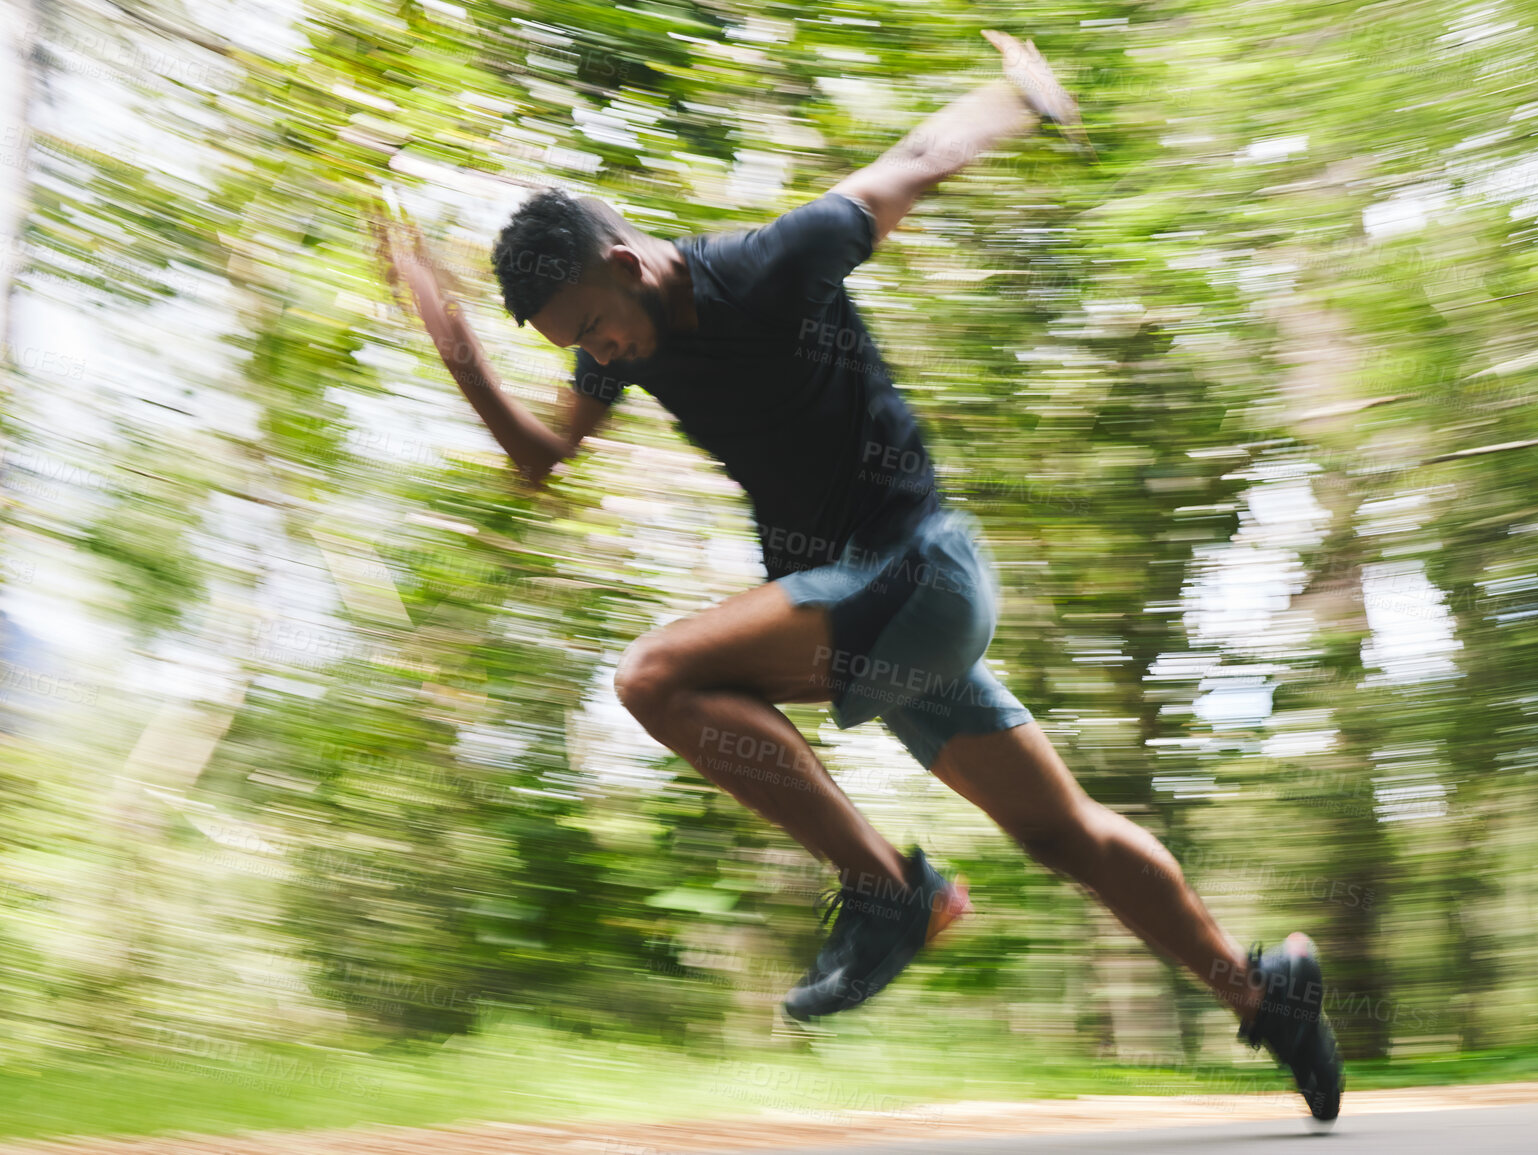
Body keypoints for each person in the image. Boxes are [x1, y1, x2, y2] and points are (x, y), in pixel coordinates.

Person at [373, 31, 1342, 1123]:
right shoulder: (613, 344)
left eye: (596, 324)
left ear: (629, 261)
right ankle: (1266, 995)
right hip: (885, 622)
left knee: (654, 681)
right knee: (1067, 832)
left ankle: (890, 892)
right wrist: (458, 351)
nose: (601, 354)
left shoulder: (768, 264)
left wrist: (1021, 93)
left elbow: (911, 167)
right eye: (574, 344)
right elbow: (545, 463)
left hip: (918, 571)